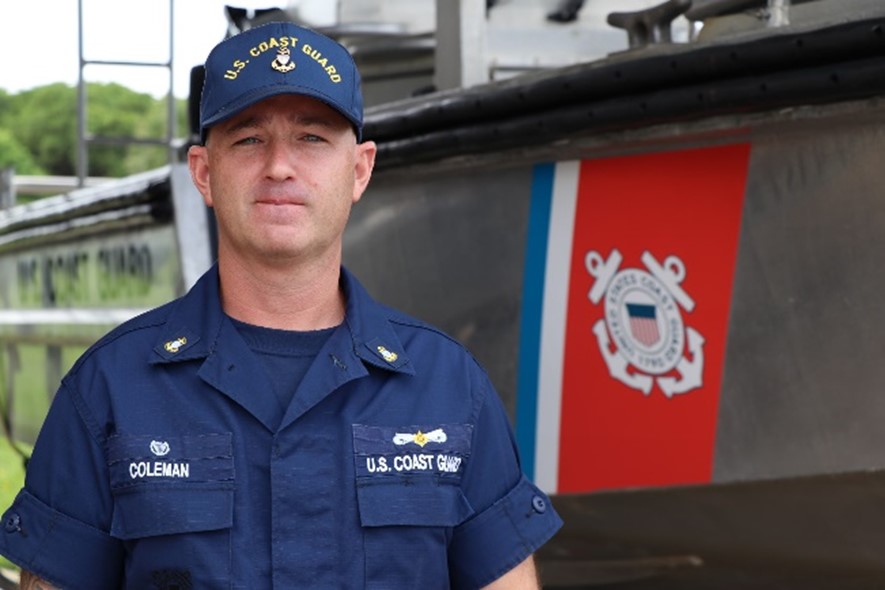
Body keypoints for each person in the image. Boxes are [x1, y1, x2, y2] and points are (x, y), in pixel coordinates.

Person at [0, 21, 562, 589]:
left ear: (360, 169)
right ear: (204, 172)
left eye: (312, 137)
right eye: (248, 138)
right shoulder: (108, 390)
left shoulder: (450, 387)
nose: (278, 166)